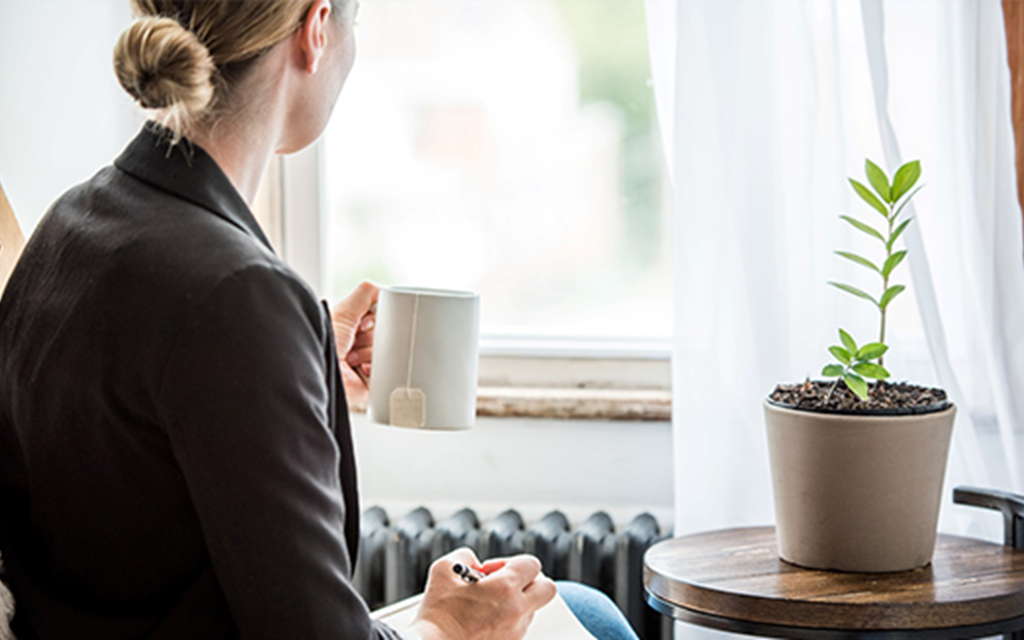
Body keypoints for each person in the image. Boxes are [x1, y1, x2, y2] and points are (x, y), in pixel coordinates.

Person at [0, 1, 640, 639]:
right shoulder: (236, 294)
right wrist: (449, 624)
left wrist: (294, 366)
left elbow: (140, 437)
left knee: (582, 609)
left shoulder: (70, 224)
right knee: (592, 619)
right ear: (316, 28)